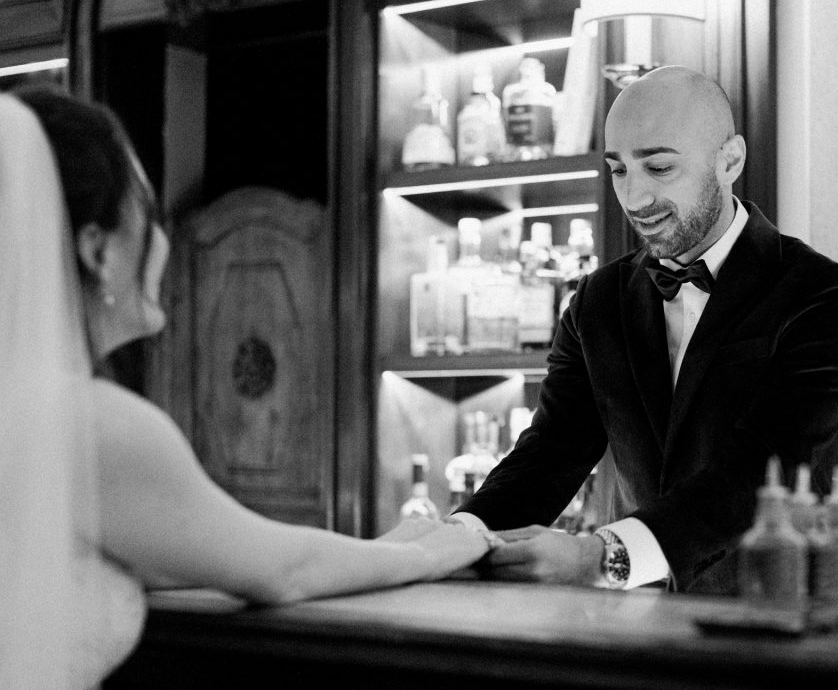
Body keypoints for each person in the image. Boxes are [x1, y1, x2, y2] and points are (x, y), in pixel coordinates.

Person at [0, 88, 492, 689]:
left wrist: (386, 548)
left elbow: (198, 549)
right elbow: (281, 568)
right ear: (99, 249)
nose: (163, 241)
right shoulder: (89, 423)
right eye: (148, 215)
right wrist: (431, 551)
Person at [456, 66, 838, 593]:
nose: (634, 197)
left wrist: (601, 557)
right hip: (634, 627)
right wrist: (457, 538)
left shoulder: (822, 294)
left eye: (658, 166)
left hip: (774, 615)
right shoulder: (597, 301)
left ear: (730, 160)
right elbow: (549, 454)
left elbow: (762, 473)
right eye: (619, 170)